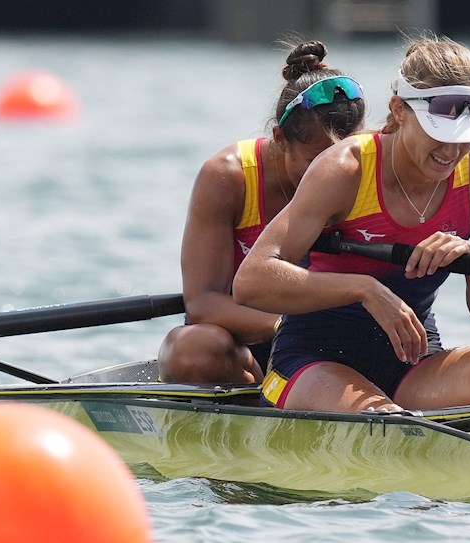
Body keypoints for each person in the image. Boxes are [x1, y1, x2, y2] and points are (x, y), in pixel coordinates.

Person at [233, 34, 470, 412]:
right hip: (311, 361)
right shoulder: (346, 169)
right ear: (399, 109)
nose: (452, 152)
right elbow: (252, 281)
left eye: (465, 138)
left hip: (411, 364)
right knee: (383, 420)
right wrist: (364, 289)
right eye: (439, 134)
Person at [157, 40, 366, 384]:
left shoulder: (367, 167)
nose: (333, 170)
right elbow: (203, 303)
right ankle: (264, 396)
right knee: (188, 350)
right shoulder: (228, 176)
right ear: (280, 138)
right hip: (250, 344)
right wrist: (293, 327)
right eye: (316, 160)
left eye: (345, 156)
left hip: (341, 342)